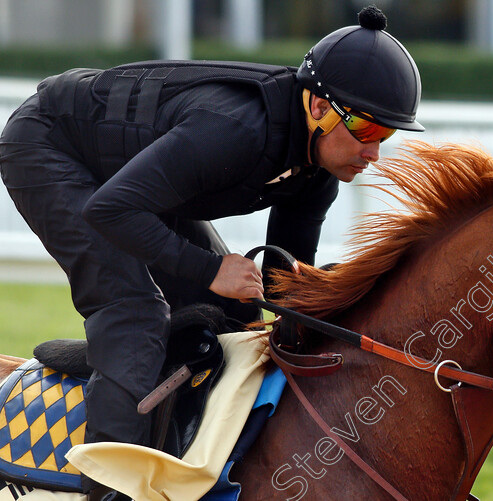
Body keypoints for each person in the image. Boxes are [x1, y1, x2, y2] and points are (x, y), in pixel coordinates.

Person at [0, 6, 422, 500]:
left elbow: (285, 285)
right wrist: (209, 269)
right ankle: (109, 489)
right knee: (134, 312)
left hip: (132, 180)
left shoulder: (316, 174)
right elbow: (110, 210)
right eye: (368, 131)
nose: (374, 152)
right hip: (52, 147)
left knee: (239, 314)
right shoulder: (235, 129)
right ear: (317, 108)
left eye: (387, 135)